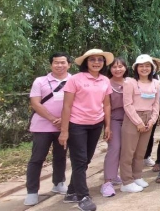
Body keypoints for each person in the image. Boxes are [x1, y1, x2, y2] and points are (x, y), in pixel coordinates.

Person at [58, 49, 114, 211]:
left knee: (86, 160)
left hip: (96, 124)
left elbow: (107, 104)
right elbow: (66, 106)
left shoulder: (105, 80)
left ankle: (71, 192)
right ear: (86, 63)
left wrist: (107, 125)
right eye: (92, 60)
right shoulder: (75, 80)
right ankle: (83, 196)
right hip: (77, 125)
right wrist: (64, 130)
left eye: (100, 60)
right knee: (80, 160)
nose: (96, 62)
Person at [24, 52, 71, 206]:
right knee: (37, 158)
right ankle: (32, 191)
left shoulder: (73, 80)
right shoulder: (40, 81)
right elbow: (35, 103)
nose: (60, 65)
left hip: (64, 126)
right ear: (51, 64)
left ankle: (58, 183)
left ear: (69, 65)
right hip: (42, 127)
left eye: (63, 62)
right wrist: (52, 119)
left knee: (60, 156)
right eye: (56, 62)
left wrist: (63, 122)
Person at [118, 55, 160, 193]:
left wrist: (153, 120)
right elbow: (127, 104)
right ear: (136, 67)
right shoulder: (129, 82)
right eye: (141, 65)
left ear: (152, 68)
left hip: (149, 118)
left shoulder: (156, 83)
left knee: (141, 151)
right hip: (133, 118)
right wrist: (138, 122)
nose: (144, 68)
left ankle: (137, 176)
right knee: (128, 151)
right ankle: (127, 181)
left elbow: (156, 103)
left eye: (147, 66)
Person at [100, 58, 129, 198]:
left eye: (120, 66)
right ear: (110, 69)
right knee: (114, 147)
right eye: (114, 67)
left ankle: (117, 175)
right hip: (113, 119)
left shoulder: (130, 82)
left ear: (125, 68)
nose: (118, 69)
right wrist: (107, 126)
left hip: (130, 119)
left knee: (125, 149)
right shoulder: (106, 82)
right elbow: (105, 105)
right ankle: (107, 182)